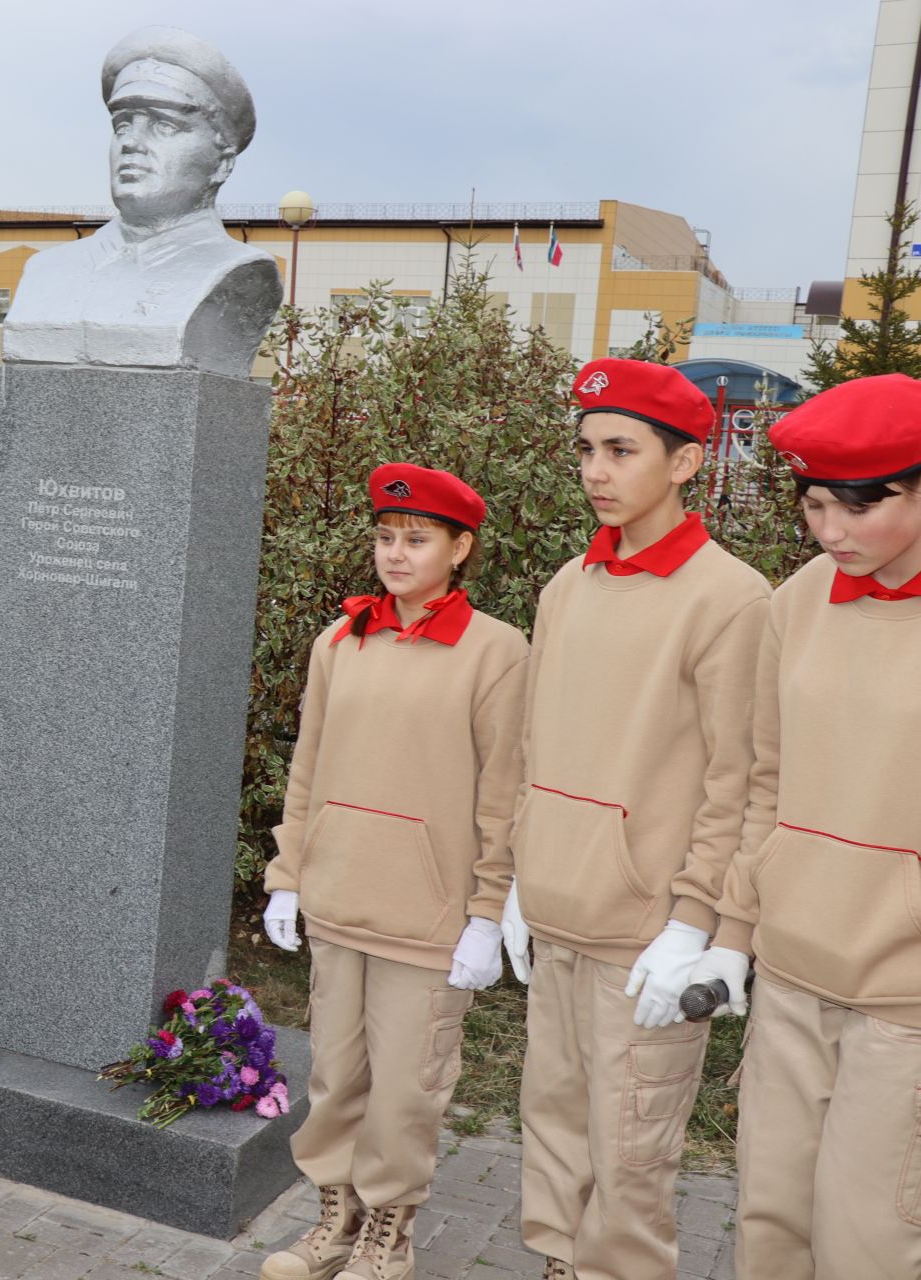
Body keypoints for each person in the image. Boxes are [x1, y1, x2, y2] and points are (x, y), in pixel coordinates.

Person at [501, 358, 770, 1280]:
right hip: (556, 907)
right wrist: (514, 876)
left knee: (631, 1162)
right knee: (555, 1129)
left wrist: (697, 921)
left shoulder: (732, 598)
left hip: (646, 932)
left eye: (621, 449)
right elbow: (536, 748)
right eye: (585, 450)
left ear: (687, 461)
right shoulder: (566, 586)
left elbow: (737, 780)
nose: (596, 471)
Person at [258, 465, 527, 1280]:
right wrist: (288, 874)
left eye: (417, 539)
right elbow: (308, 768)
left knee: (408, 1090)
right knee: (337, 1076)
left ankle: (389, 1234)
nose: (396, 554)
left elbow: (504, 793)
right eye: (385, 537)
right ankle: (333, 1221)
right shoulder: (339, 643)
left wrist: (488, 910)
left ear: (460, 547)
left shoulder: (497, 651)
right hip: (340, 901)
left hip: (431, 919)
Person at [689, 374, 921, 1275]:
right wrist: (734, 934)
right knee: (770, 1221)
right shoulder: (796, 602)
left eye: (858, 508)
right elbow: (766, 778)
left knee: (867, 1240)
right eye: (816, 505)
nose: (831, 533)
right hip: (788, 971)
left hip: (903, 1002)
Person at [0, 25, 282, 375]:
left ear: (222, 162)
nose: (131, 143)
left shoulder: (239, 273)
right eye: (123, 125)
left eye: (164, 126)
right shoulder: (46, 270)